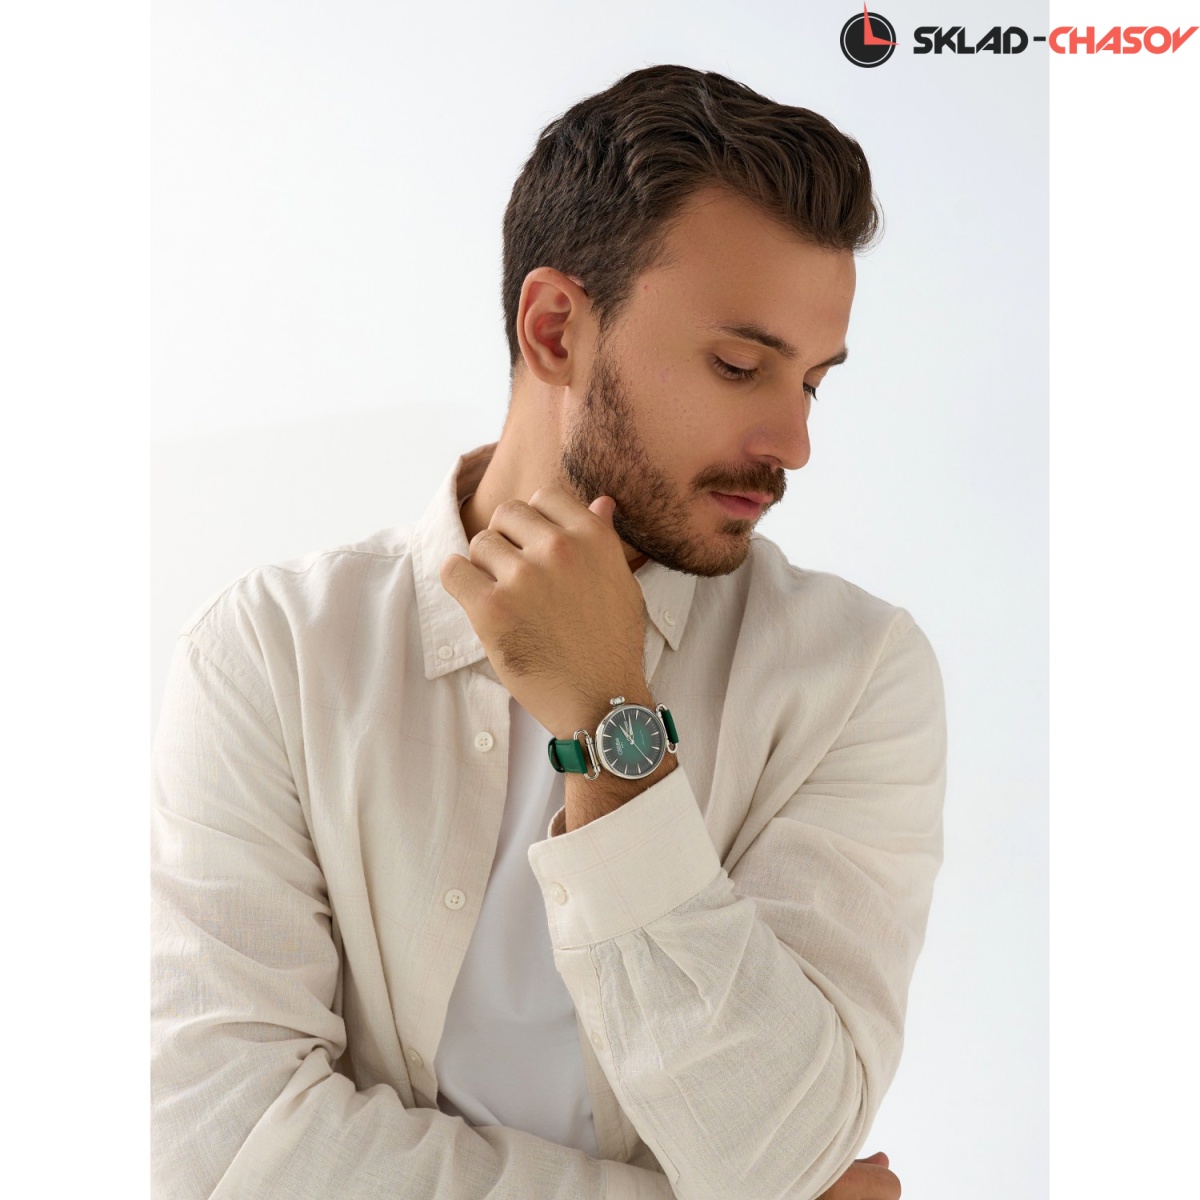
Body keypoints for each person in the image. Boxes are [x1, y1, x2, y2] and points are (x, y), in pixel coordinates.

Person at [151, 64, 945, 1200]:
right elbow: (222, 1152)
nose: (794, 442)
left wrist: (611, 720)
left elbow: (784, 1148)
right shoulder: (271, 655)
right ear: (556, 328)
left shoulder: (855, 675)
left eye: (813, 383)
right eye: (739, 365)